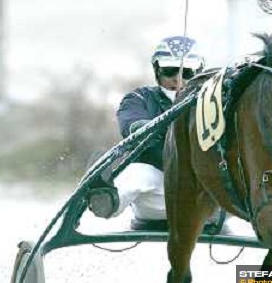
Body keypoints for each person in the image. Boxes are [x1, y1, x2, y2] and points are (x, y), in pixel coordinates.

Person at [87, 36, 206, 229]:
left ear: (199, 72)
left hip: (209, 198)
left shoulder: (214, 102)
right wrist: (147, 127)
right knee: (137, 172)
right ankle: (106, 200)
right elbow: (129, 123)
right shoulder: (139, 98)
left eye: (187, 73)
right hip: (159, 198)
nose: (178, 80)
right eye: (170, 71)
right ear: (157, 71)